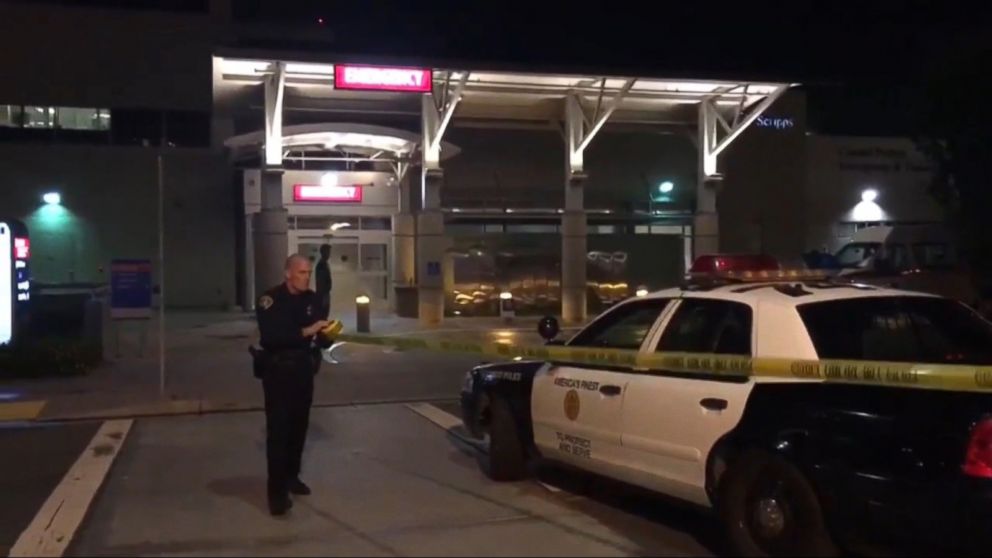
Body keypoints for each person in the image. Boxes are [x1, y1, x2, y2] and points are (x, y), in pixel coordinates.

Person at [255, 254, 329, 516]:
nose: (306, 277)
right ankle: (276, 495)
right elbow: (272, 337)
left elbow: (320, 338)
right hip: (278, 371)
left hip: (303, 370)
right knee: (278, 433)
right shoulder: (270, 300)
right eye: (301, 273)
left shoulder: (313, 299)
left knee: (299, 427)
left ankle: (291, 477)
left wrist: (327, 335)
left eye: (308, 272)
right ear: (287, 273)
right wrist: (307, 331)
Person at [315, 244, 333, 319]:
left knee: (324, 315)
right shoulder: (321, 265)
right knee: (323, 315)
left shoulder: (324, 264)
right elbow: (320, 283)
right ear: (323, 252)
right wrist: (322, 297)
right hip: (323, 295)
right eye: (328, 252)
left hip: (324, 294)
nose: (329, 254)